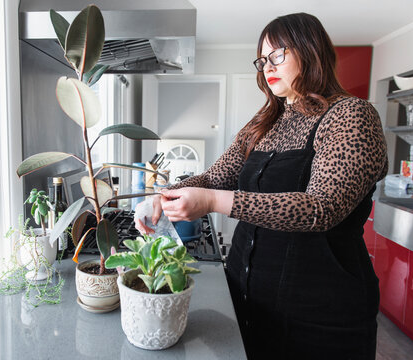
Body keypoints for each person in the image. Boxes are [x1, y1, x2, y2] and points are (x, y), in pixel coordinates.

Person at [136, 12, 388, 360]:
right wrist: (163, 197)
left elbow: (320, 209)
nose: (266, 65)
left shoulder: (350, 115)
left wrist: (211, 201)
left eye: (277, 55)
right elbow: (213, 178)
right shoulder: (264, 123)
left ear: (309, 49)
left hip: (321, 315)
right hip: (247, 295)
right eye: (262, 59)